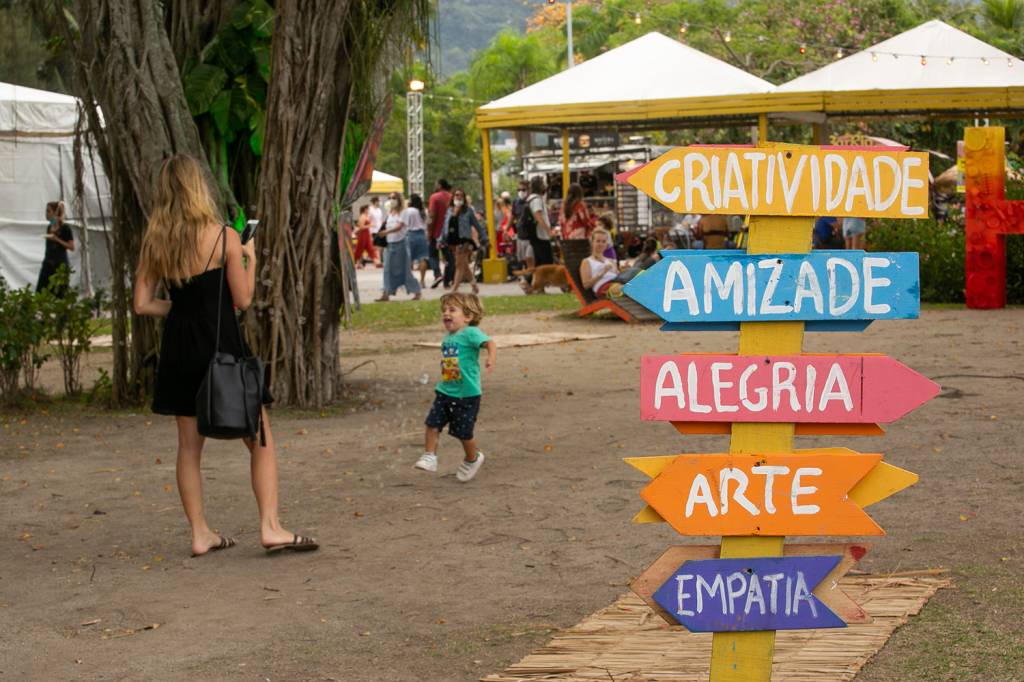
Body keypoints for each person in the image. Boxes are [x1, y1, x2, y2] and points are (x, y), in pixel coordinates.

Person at [132, 155, 317, 557]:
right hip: (222, 348)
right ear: (198, 188)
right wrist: (249, 257)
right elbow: (243, 299)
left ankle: (200, 533)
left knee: (188, 448)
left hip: (180, 350)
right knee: (260, 438)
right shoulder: (224, 237)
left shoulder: (155, 241)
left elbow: (142, 304)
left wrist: (181, 310)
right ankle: (270, 527)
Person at [414, 293, 496, 482]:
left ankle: (472, 458)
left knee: (463, 433)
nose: (446, 313)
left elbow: (490, 343)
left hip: (466, 395)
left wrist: (491, 358)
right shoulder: (449, 336)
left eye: (452, 310)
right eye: (444, 310)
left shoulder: (471, 332)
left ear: (468, 316)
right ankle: (430, 456)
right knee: (432, 424)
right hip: (445, 391)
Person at [376, 193, 422, 302]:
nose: (391, 200)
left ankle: (416, 291)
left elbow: (399, 226)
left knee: (405, 270)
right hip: (390, 244)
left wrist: (386, 232)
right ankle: (386, 292)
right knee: (387, 269)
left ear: (399, 200)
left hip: (401, 243)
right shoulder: (390, 212)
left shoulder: (404, 212)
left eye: (394, 198)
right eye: (390, 198)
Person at [440, 188, 482, 294]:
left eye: (461, 195)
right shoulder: (449, 210)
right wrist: (440, 239)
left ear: (464, 198)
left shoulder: (468, 211)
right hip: (452, 240)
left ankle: (454, 289)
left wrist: (484, 238)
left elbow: (477, 225)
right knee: (464, 264)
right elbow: (445, 226)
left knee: (458, 264)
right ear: (453, 197)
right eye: (457, 195)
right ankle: (473, 284)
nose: (459, 197)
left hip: (464, 240)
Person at [37, 200, 75, 293]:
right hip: (48, 264)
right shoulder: (50, 227)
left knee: (59, 292)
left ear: (55, 212)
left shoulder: (65, 228)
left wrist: (57, 239)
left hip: (60, 265)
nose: (46, 213)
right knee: (42, 290)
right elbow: (54, 223)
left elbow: (71, 247)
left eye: (48, 211)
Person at [580, 227, 621, 297]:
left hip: (617, 282)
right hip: (604, 287)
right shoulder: (587, 261)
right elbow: (586, 285)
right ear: (592, 242)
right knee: (627, 288)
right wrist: (602, 273)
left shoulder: (610, 260)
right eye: (598, 241)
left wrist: (624, 270)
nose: (601, 244)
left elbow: (618, 275)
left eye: (604, 241)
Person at [427, 178, 452, 288]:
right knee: (449, 257)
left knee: (433, 255)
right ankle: (449, 279)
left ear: (440, 185)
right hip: (449, 233)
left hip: (436, 232)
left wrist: (429, 231)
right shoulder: (451, 197)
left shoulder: (434, 197)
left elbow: (432, 215)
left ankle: (437, 274)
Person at [526, 176, 554, 266]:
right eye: (544, 184)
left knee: (540, 264)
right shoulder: (536, 200)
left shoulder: (533, 199)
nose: (545, 186)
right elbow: (538, 216)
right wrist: (548, 231)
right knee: (547, 264)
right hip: (541, 236)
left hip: (538, 236)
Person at [404, 194, 430, 286]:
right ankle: (422, 280)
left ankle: (409, 280)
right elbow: (427, 223)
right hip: (422, 235)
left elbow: (405, 224)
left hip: (411, 235)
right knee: (423, 258)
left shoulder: (409, 211)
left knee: (408, 259)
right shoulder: (423, 211)